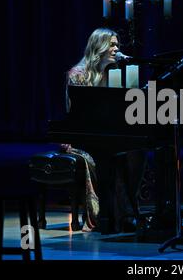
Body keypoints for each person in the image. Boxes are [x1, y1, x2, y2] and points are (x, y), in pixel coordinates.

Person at [63, 27, 146, 232]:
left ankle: (126, 209)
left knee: (137, 152)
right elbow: (77, 117)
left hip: (108, 134)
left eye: (117, 45)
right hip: (83, 137)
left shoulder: (114, 73)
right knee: (110, 157)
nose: (117, 49)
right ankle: (115, 215)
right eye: (112, 44)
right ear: (98, 46)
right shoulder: (78, 75)